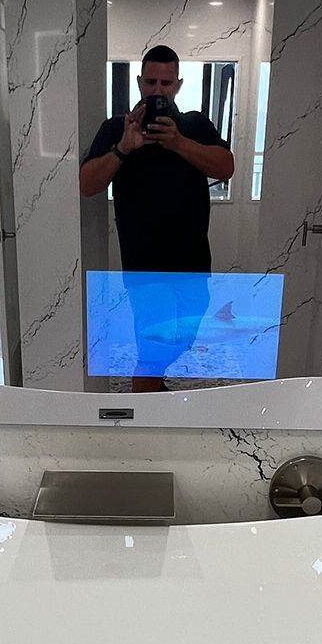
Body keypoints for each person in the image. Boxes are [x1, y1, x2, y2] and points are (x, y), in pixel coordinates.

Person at [79, 45, 236, 390]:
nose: (158, 90)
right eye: (151, 81)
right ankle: (146, 408)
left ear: (178, 84)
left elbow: (226, 167)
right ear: (139, 82)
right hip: (144, 265)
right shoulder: (116, 129)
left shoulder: (195, 124)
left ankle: (153, 386)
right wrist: (124, 148)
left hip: (193, 262)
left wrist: (178, 143)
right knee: (153, 350)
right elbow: (88, 184)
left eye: (166, 83)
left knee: (183, 338)